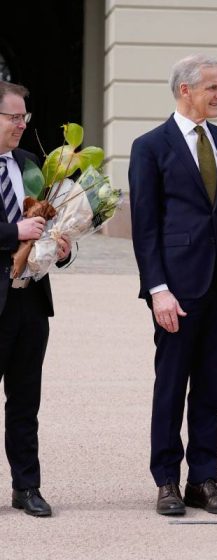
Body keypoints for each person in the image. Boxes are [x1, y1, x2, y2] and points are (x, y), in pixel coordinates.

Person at [129, 54, 217, 516]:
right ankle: (166, 481)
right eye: (212, 88)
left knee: (211, 388)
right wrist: (157, 289)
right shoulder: (150, 147)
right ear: (186, 90)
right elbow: (144, 227)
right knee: (171, 386)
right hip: (178, 289)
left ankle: (204, 480)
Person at [0, 81, 71, 517]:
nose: (21, 124)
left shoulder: (31, 165)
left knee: (26, 402)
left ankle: (27, 488)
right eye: (12, 117)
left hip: (30, 306)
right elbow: (21, 229)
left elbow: (52, 221)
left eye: (23, 116)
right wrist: (14, 234)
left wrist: (61, 248)